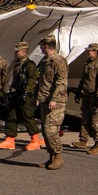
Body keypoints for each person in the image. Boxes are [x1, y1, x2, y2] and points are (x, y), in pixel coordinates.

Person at [0, 41, 42, 150]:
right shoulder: (18, 64)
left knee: (27, 117)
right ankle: (10, 138)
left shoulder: (30, 65)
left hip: (26, 95)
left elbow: (33, 79)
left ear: (24, 51)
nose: (15, 53)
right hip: (16, 94)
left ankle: (35, 139)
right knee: (12, 116)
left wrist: (27, 92)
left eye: (17, 51)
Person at [36, 35, 68, 170]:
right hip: (44, 100)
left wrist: (54, 99)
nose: (40, 48)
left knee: (51, 130)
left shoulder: (58, 61)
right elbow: (41, 81)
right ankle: (52, 157)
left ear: (46, 46)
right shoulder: (44, 61)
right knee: (44, 130)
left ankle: (58, 156)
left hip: (56, 101)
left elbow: (62, 82)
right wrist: (36, 97)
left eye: (42, 45)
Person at [74, 42, 98, 154]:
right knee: (85, 117)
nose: (88, 52)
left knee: (96, 120)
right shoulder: (88, 63)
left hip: (96, 96)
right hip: (87, 95)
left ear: (96, 51)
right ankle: (83, 140)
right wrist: (78, 90)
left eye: (90, 50)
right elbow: (84, 79)